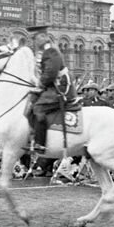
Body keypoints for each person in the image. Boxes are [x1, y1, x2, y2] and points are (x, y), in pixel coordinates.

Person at [28, 25, 76, 154]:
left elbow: (50, 72)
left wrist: (40, 86)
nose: (35, 42)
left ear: (44, 37)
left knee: (38, 108)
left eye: (36, 38)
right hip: (52, 86)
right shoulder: (44, 51)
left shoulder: (50, 51)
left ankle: (40, 143)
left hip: (60, 88)